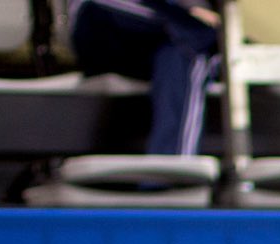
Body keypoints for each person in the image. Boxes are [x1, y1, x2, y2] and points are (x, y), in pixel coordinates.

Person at [68, 0, 220, 158]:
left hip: (157, 34)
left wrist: (195, 9)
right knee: (196, 34)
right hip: (102, 13)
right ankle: (211, 40)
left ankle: (168, 175)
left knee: (181, 53)